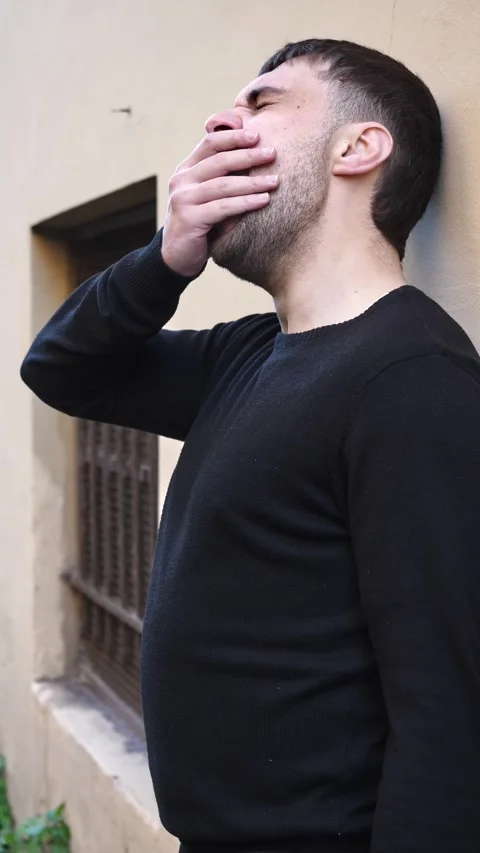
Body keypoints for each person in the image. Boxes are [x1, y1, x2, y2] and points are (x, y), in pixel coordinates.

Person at [21, 38, 480, 853]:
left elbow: (450, 717)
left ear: (359, 148)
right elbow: (60, 367)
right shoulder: (247, 351)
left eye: (263, 102)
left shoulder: (412, 378)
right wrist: (165, 259)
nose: (222, 120)